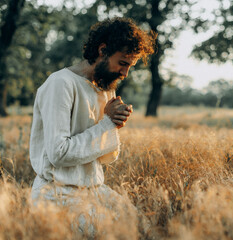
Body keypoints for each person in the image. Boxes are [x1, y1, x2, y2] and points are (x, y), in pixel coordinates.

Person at [29, 17, 156, 234]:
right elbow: (58, 154)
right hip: (57, 194)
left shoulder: (105, 88)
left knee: (141, 226)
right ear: (103, 50)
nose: (125, 74)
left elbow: (107, 158)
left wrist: (114, 125)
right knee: (109, 232)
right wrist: (106, 124)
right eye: (123, 63)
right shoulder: (61, 83)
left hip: (95, 189)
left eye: (130, 67)